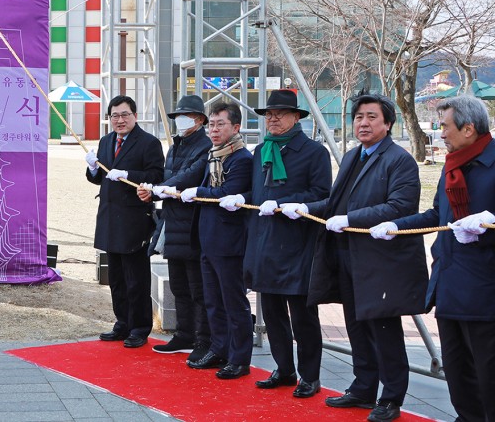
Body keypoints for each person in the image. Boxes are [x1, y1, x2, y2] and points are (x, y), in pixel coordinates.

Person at [284, 94, 426, 422]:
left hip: (380, 261)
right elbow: (336, 203)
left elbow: (400, 207)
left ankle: (390, 398)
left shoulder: (399, 159)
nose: (363, 123)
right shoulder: (352, 156)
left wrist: (353, 219)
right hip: (346, 255)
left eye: (372, 117)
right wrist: (307, 209)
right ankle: (363, 388)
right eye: (359, 117)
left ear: (388, 124)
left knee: (384, 330)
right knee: (356, 326)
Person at [372, 95, 495, 422]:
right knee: (457, 373)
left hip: (485, 291)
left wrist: (490, 223)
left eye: (444, 126)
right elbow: (437, 215)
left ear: (468, 129)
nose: (439, 133)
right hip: (449, 284)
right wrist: (395, 225)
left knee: (489, 375)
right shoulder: (453, 165)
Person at [220, 90, 331, 398]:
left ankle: (310, 376)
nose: (273, 118)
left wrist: (286, 203)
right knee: (271, 313)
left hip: (297, 244)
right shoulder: (261, 151)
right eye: (269, 114)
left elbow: (323, 195)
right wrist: (243, 199)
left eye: (280, 113)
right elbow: (258, 195)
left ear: (296, 117)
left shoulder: (313, 152)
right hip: (264, 242)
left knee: (302, 316)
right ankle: (284, 369)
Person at [177, 101, 254, 379]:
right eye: (211, 124)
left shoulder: (241, 158)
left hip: (230, 243)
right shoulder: (213, 155)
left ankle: (239, 357)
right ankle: (219, 348)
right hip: (208, 240)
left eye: (220, 124)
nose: (214, 129)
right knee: (213, 301)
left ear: (236, 127)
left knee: (234, 302)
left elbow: (228, 192)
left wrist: (195, 191)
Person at [86, 95, 165, 349]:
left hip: (134, 219)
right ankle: (122, 323)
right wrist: (93, 169)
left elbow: (156, 175)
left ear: (135, 116)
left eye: (124, 115)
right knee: (116, 277)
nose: (119, 120)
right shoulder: (106, 141)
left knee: (136, 278)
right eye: (114, 116)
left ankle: (140, 327)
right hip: (110, 216)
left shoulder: (149, 143)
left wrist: (128, 175)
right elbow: (99, 179)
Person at [137, 95, 212, 362]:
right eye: (179, 115)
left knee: (197, 288)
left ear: (200, 120)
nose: (181, 120)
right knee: (179, 285)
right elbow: (168, 177)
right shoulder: (176, 144)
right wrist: (154, 190)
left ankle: (204, 339)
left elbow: (188, 175)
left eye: (187, 115)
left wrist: (161, 190)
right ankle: (184, 334)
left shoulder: (205, 145)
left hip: (192, 225)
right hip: (172, 221)